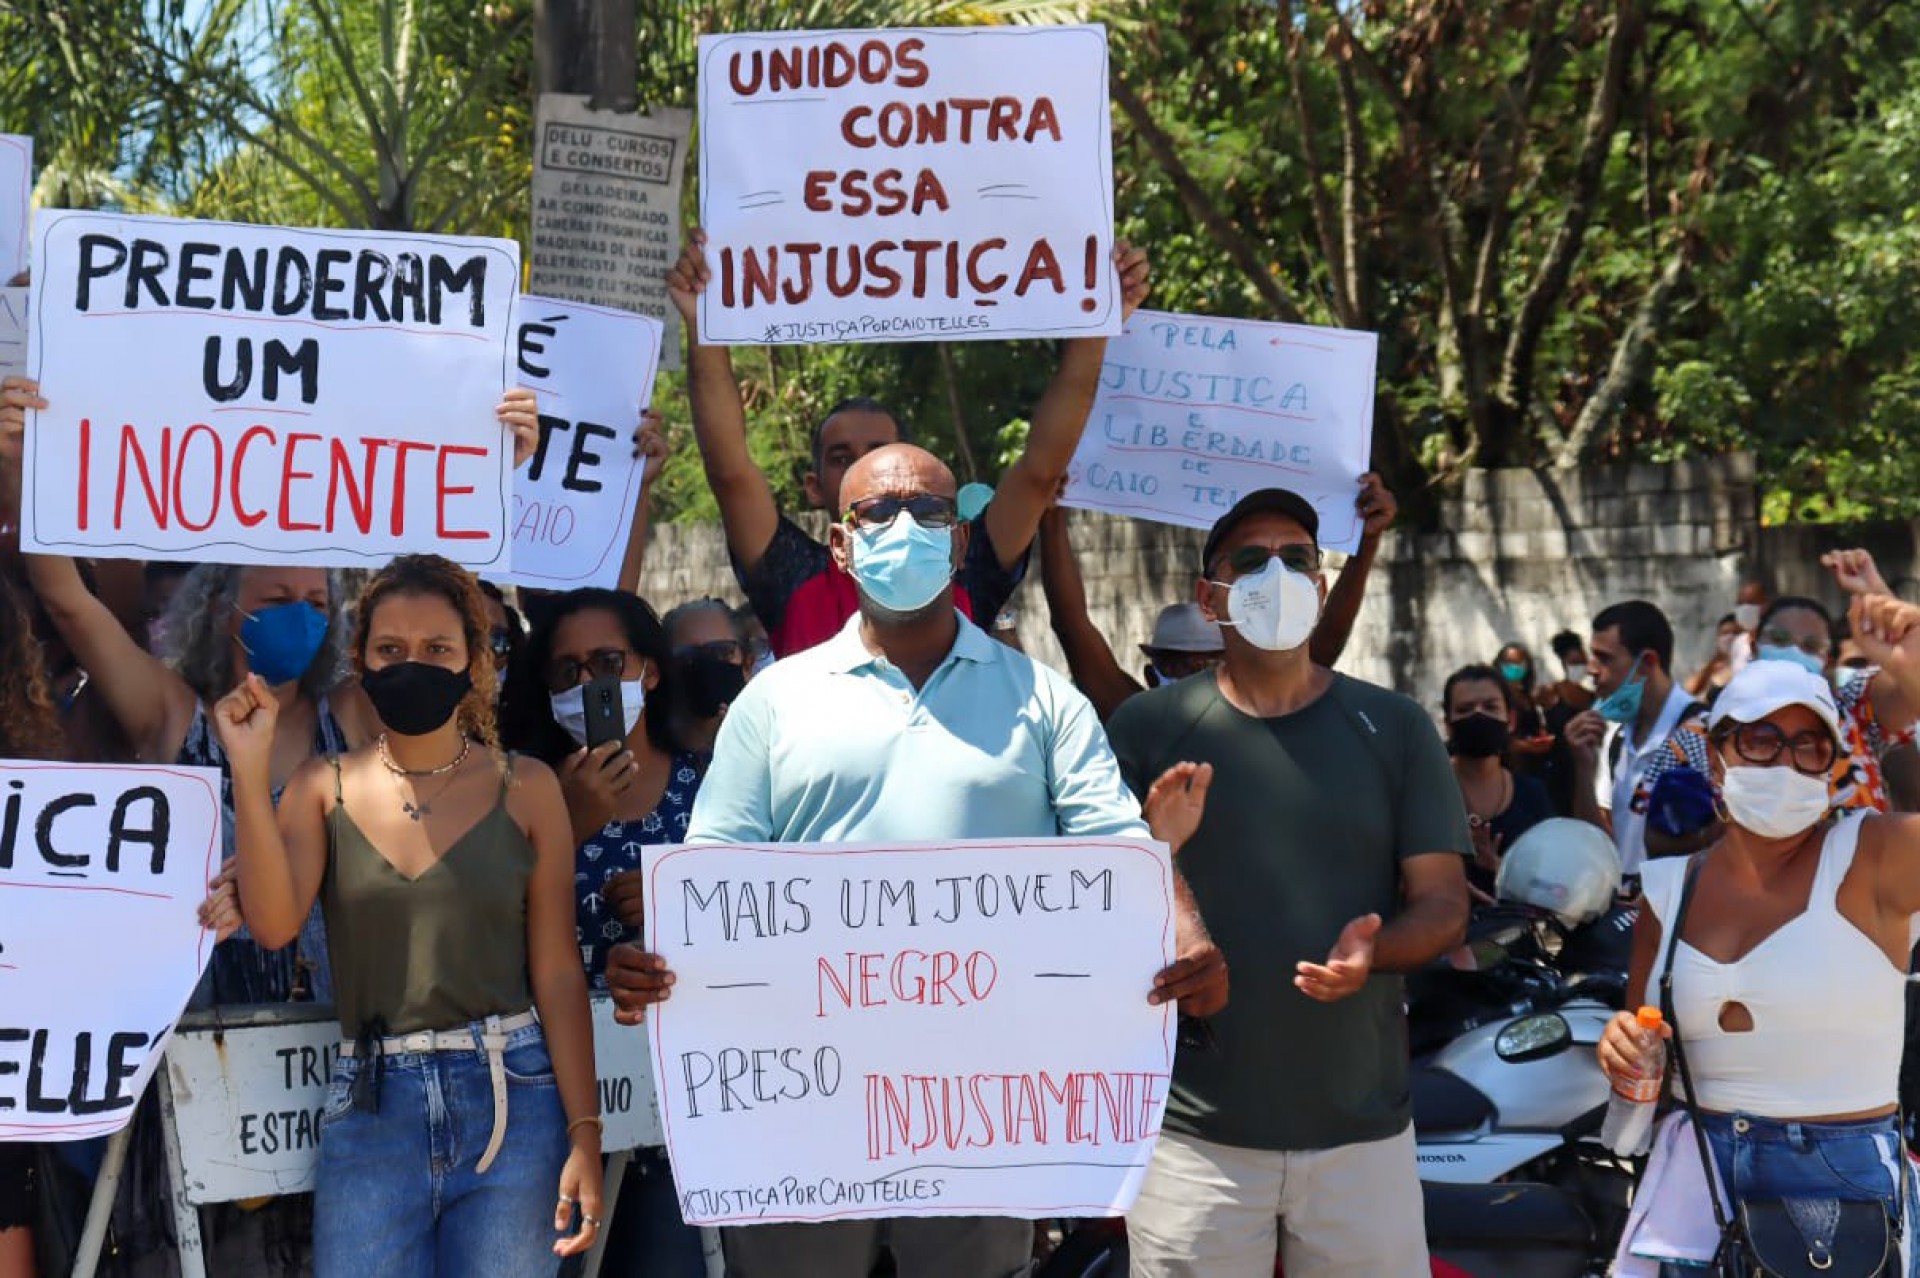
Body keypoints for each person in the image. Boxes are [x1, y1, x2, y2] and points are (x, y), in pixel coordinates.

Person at [603, 441, 1228, 1278]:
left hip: (982, 1117)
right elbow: (715, 888)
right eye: (877, 512)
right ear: (839, 544)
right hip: (802, 1115)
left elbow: (1115, 857)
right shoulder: (773, 702)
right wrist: (660, 965)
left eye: (929, 512)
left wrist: (1185, 935)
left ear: (961, 543)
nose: (905, 528)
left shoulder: (1042, 701)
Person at [1105, 487, 1471, 1278]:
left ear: (1322, 584)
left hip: (1361, 1139)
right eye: (1251, 559)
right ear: (1211, 597)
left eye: (1298, 558)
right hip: (1191, 1141)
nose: (1279, 572)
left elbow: (1444, 906)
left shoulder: (1396, 726)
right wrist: (1156, 853)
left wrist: (1375, 955)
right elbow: (1088, 910)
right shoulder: (1146, 728)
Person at [216, 554, 604, 1275]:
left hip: (512, 1101)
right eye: (390, 649)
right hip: (371, 1106)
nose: (412, 665)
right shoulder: (319, 788)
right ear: (359, 659)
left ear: (472, 662)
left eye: (437, 649)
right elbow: (273, 925)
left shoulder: (528, 788)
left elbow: (555, 970)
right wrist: (247, 763)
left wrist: (585, 1129)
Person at [666, 230, 1152, 659]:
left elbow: (1039, 472)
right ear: (815, 488)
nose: (866, 469)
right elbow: (730, 474)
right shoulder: (791, 576)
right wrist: (702, 323)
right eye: (842, 458)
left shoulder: (966, 563)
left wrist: (1096, 326)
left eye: (880, 452)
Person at [1599, 656, 1920, 1274]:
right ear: (1717, 756)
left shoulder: (1874, 855)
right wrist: (1622, 1050)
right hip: (1698, 1189)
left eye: (1809, 745)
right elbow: (1644, 1055)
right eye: (1761, 739)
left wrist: (1906, 646)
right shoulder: (1668, 890)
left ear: (1832, 762)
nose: (1785, 762)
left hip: (1844, 1187)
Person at [504, 588, 707, 1278]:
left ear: (648, 671)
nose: (589, 683)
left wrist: (676, 911)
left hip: (684, 1115)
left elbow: (761, 929)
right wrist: (568, 825)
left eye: (607, 662)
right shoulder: (519, 795)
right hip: (560, 1111)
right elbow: (491, 931)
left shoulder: (713, 791)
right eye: (567, 672)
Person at [1036, 475, 1397, 722]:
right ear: (1152, 672)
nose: (1201, 674)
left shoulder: (1283, 699)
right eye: (1183, 665)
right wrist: (1050, 516)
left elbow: (1327, 634)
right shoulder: (1145, 719)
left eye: (1212, 660)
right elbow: (1073, 627)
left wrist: (1366, 543)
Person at [1564, 600, 1713, 875]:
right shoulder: (1616, 738)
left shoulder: (1699, 736)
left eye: (1605, 658)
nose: (1591, 670)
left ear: (1648, 662)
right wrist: (1583, 769)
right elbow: (1601, 846)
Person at [1444, 664, 1555, 899]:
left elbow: (1552, 883)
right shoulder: (1425, 792)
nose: (1478, 715)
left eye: (1490, 707)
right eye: (1465, 709)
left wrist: (1501, 868)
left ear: (1511, 719)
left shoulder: (1532, 794)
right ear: (1448, 724)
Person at [660, 596, 753, 755]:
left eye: (721, 652)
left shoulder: (775, 749)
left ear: (747, 664)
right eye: (688, 657)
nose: (706, 664)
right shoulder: (642, 759)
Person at [1682, 613, 1741, 700]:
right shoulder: (1713, 667)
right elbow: (1688, 690)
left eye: (1736, 633)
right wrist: (1713, 663)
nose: (1730, 637)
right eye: (1725, 633)